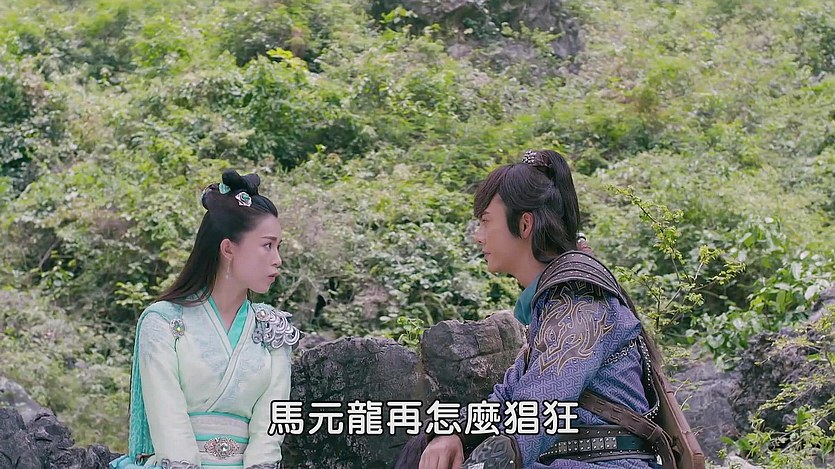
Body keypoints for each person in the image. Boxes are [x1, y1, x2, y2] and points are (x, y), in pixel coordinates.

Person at [396, 150, 660, 469]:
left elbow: (538, 410)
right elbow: (508, 399)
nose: (478, 237)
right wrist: (454, 432)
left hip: (604, 464)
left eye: (485, 221)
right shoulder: (550, 304)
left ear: (524, 224)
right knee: (424, 447)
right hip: (563, 461)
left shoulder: (579, 299)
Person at [110, 170, 299, 469]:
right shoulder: (162, 322)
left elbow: (270, 426)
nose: (277, 259)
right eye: (267, 245)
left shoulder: (273, 328)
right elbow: (167, 418)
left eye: (278, 247)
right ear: (228, 249)